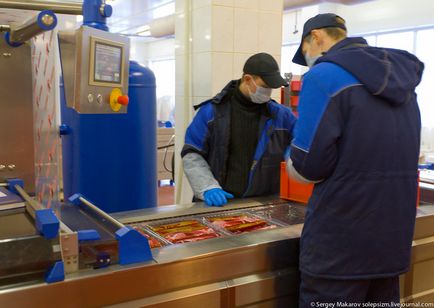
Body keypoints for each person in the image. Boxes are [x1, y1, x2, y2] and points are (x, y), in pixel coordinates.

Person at [285, 13, 424, 306]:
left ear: (317, 37)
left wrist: (291, 154)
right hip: (390, 242)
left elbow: (309, 166)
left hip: (340, 248)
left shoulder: (324, 76)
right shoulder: (402, 81)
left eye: (306, 50)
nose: (308, 58)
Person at [182, 53, 297, 206]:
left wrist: (293, 154)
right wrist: (207, 186)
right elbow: (192, 153)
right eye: (265, 87)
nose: (268, 92)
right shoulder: (211, 113)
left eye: (271, 88)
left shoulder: (282, 116)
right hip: (221, 202)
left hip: (264, 205)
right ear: (248, 79)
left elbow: (301, 141)